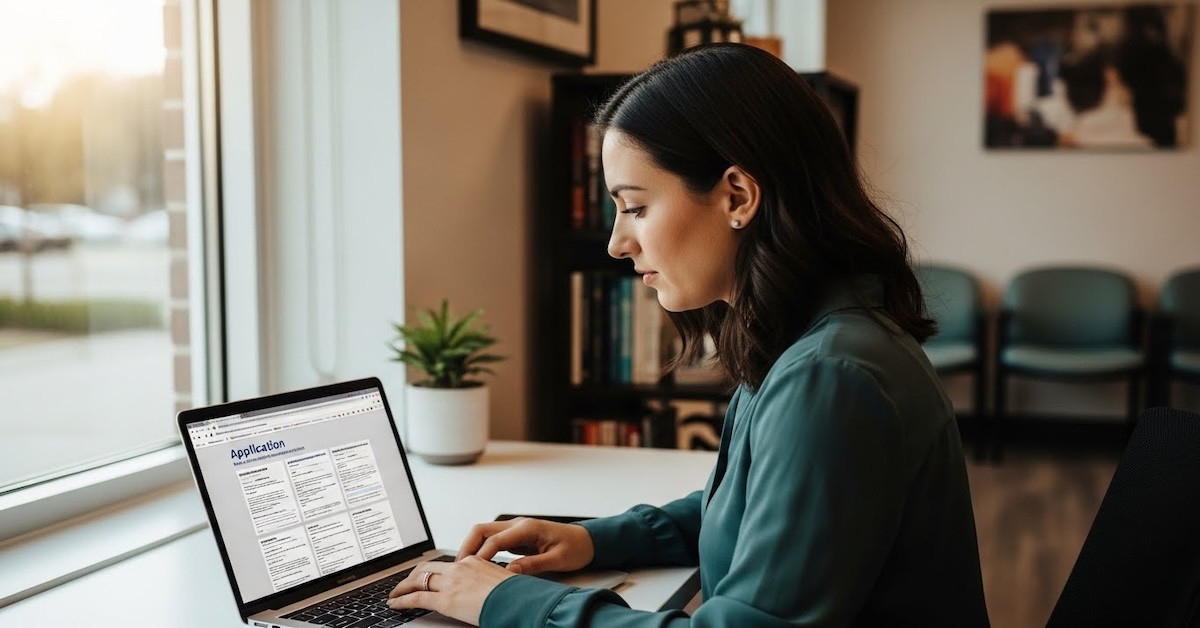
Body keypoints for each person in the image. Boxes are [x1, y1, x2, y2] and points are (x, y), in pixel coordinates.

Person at [387, 42, 990, 626]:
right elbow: (747, 512)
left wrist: (506, 604)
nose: (617, 243)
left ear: (737, 195)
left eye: (636, 207)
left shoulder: (828, 377)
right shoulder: (810, 337)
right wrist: (591, 540)